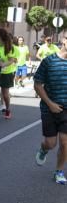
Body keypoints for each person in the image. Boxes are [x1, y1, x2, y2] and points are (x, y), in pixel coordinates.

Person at [34, 35, 67, 185]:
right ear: (64, 41)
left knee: (65, 142)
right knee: (51, 143)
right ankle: (43, 149)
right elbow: (38, 84)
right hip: (49, 108)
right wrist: (50, 103)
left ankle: (59, 171)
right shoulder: (49, 61)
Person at [0, 27, 18, 119]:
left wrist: (3, 65)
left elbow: (11, 60)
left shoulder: (9, 47)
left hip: (6, 73)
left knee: (5, 94)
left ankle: (8, 109)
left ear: (0, 36)